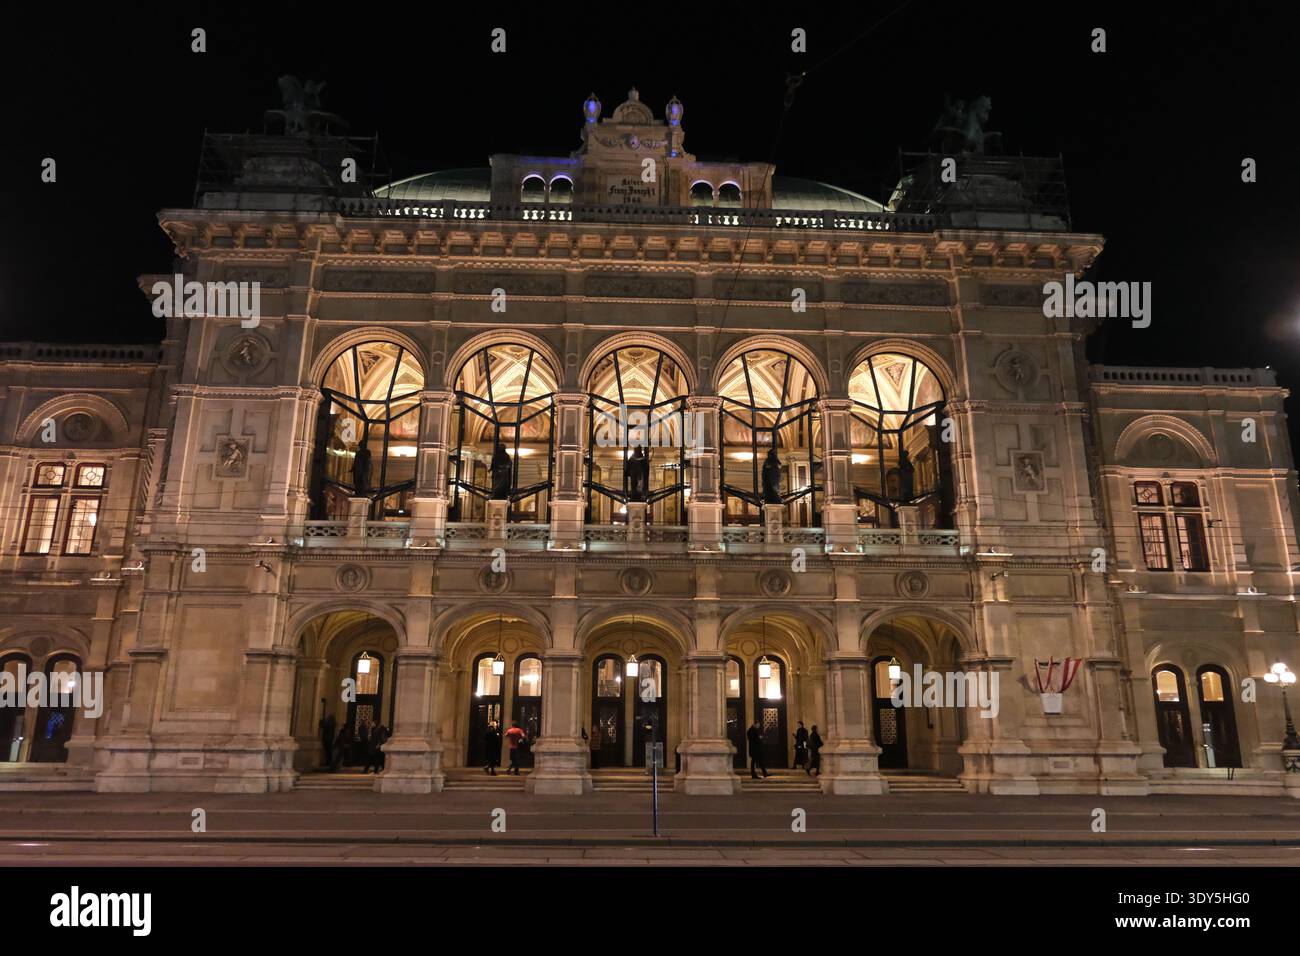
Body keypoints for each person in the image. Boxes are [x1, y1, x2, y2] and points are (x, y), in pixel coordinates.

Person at [318, 700, 336, 769]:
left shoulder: (330, 724)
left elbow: (324, 726)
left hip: (328, 739)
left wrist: (322, 722)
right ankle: (329, 762)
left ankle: (329, 762)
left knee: (328, 751)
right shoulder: (332, 724)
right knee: (328, 751)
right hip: (329, 739)